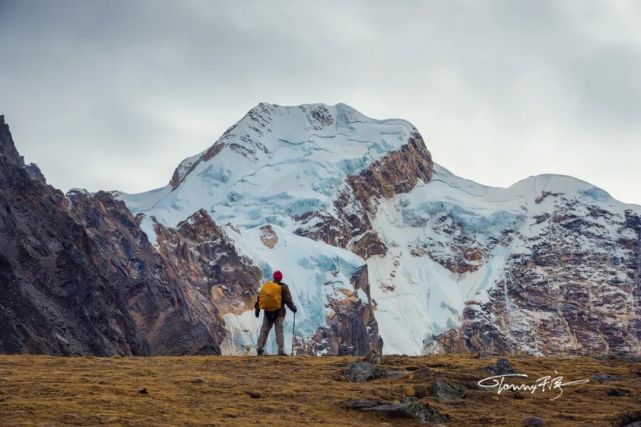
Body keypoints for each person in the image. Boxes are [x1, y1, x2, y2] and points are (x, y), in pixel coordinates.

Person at [255, 270, 297, 355]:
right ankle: (280, 351)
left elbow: (260, 298)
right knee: (279, 331)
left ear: (274, 277)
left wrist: (257, 309)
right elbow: (288, 300)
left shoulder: (267, 286)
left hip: (268, 313)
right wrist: (293, 308)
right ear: (281, 278)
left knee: (264, 330)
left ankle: (259, 348)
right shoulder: (283, 287)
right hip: (279, 313)